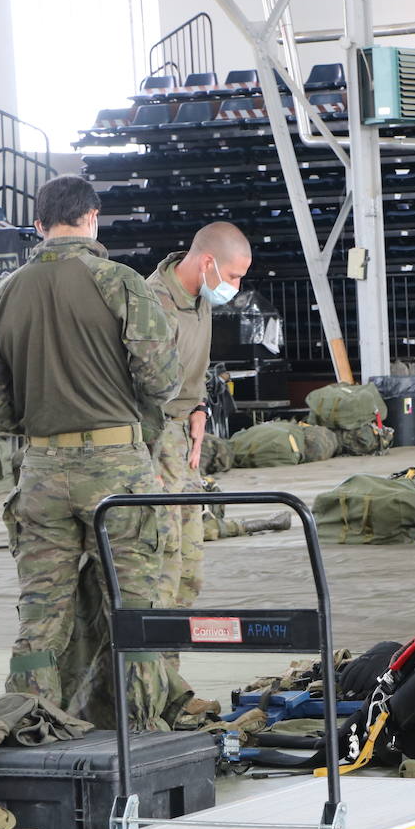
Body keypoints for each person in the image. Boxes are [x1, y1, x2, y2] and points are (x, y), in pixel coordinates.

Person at [0, 175, 180, 727]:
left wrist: (40, 425)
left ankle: (31, 723)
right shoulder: (121, 283)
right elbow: (160, 378)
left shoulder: (0, 296)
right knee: (134, 607)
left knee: (41, 614)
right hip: (117, 472)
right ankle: (140, 731)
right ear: (92, 217)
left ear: (39, 226)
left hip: (40, 473)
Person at [147, 222, 252, 615]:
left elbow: (191, 368)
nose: (236, 287)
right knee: (164, 557)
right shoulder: (150, 303)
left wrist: (199, 407)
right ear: (208, 262)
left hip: (181, 438)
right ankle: (153, 668)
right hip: (154, 438)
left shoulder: (199, 298)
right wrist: (148, 455)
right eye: (233, 276)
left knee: (190, 563)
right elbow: (129, 384)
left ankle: (170, 663)